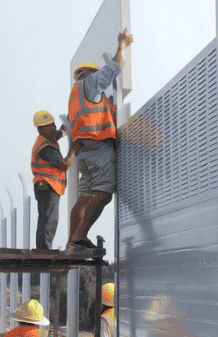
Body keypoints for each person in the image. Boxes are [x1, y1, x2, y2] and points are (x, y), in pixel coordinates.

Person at [63, 28, 133, 257]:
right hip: (98, 150)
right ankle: (79, 237)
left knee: (85, 196)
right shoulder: (90, 84)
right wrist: (122, 44)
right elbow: (116, 66)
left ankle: (72, 241)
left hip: (84, 154)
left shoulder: (74, 94)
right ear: (89, 73)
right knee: (103, 194)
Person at [31, 111, 75, 250]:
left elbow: (62, 131)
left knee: (47, 219)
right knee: (49, 220)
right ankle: (44, 250)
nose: (53, 128)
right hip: (47, 186)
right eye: (49, 126)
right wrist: (74, 148)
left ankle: (43, 249)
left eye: (53, 124)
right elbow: (64, 165)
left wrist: (70, 117)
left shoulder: (49, 138)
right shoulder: (46, 147)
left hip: (47, 186)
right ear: (40, 129)